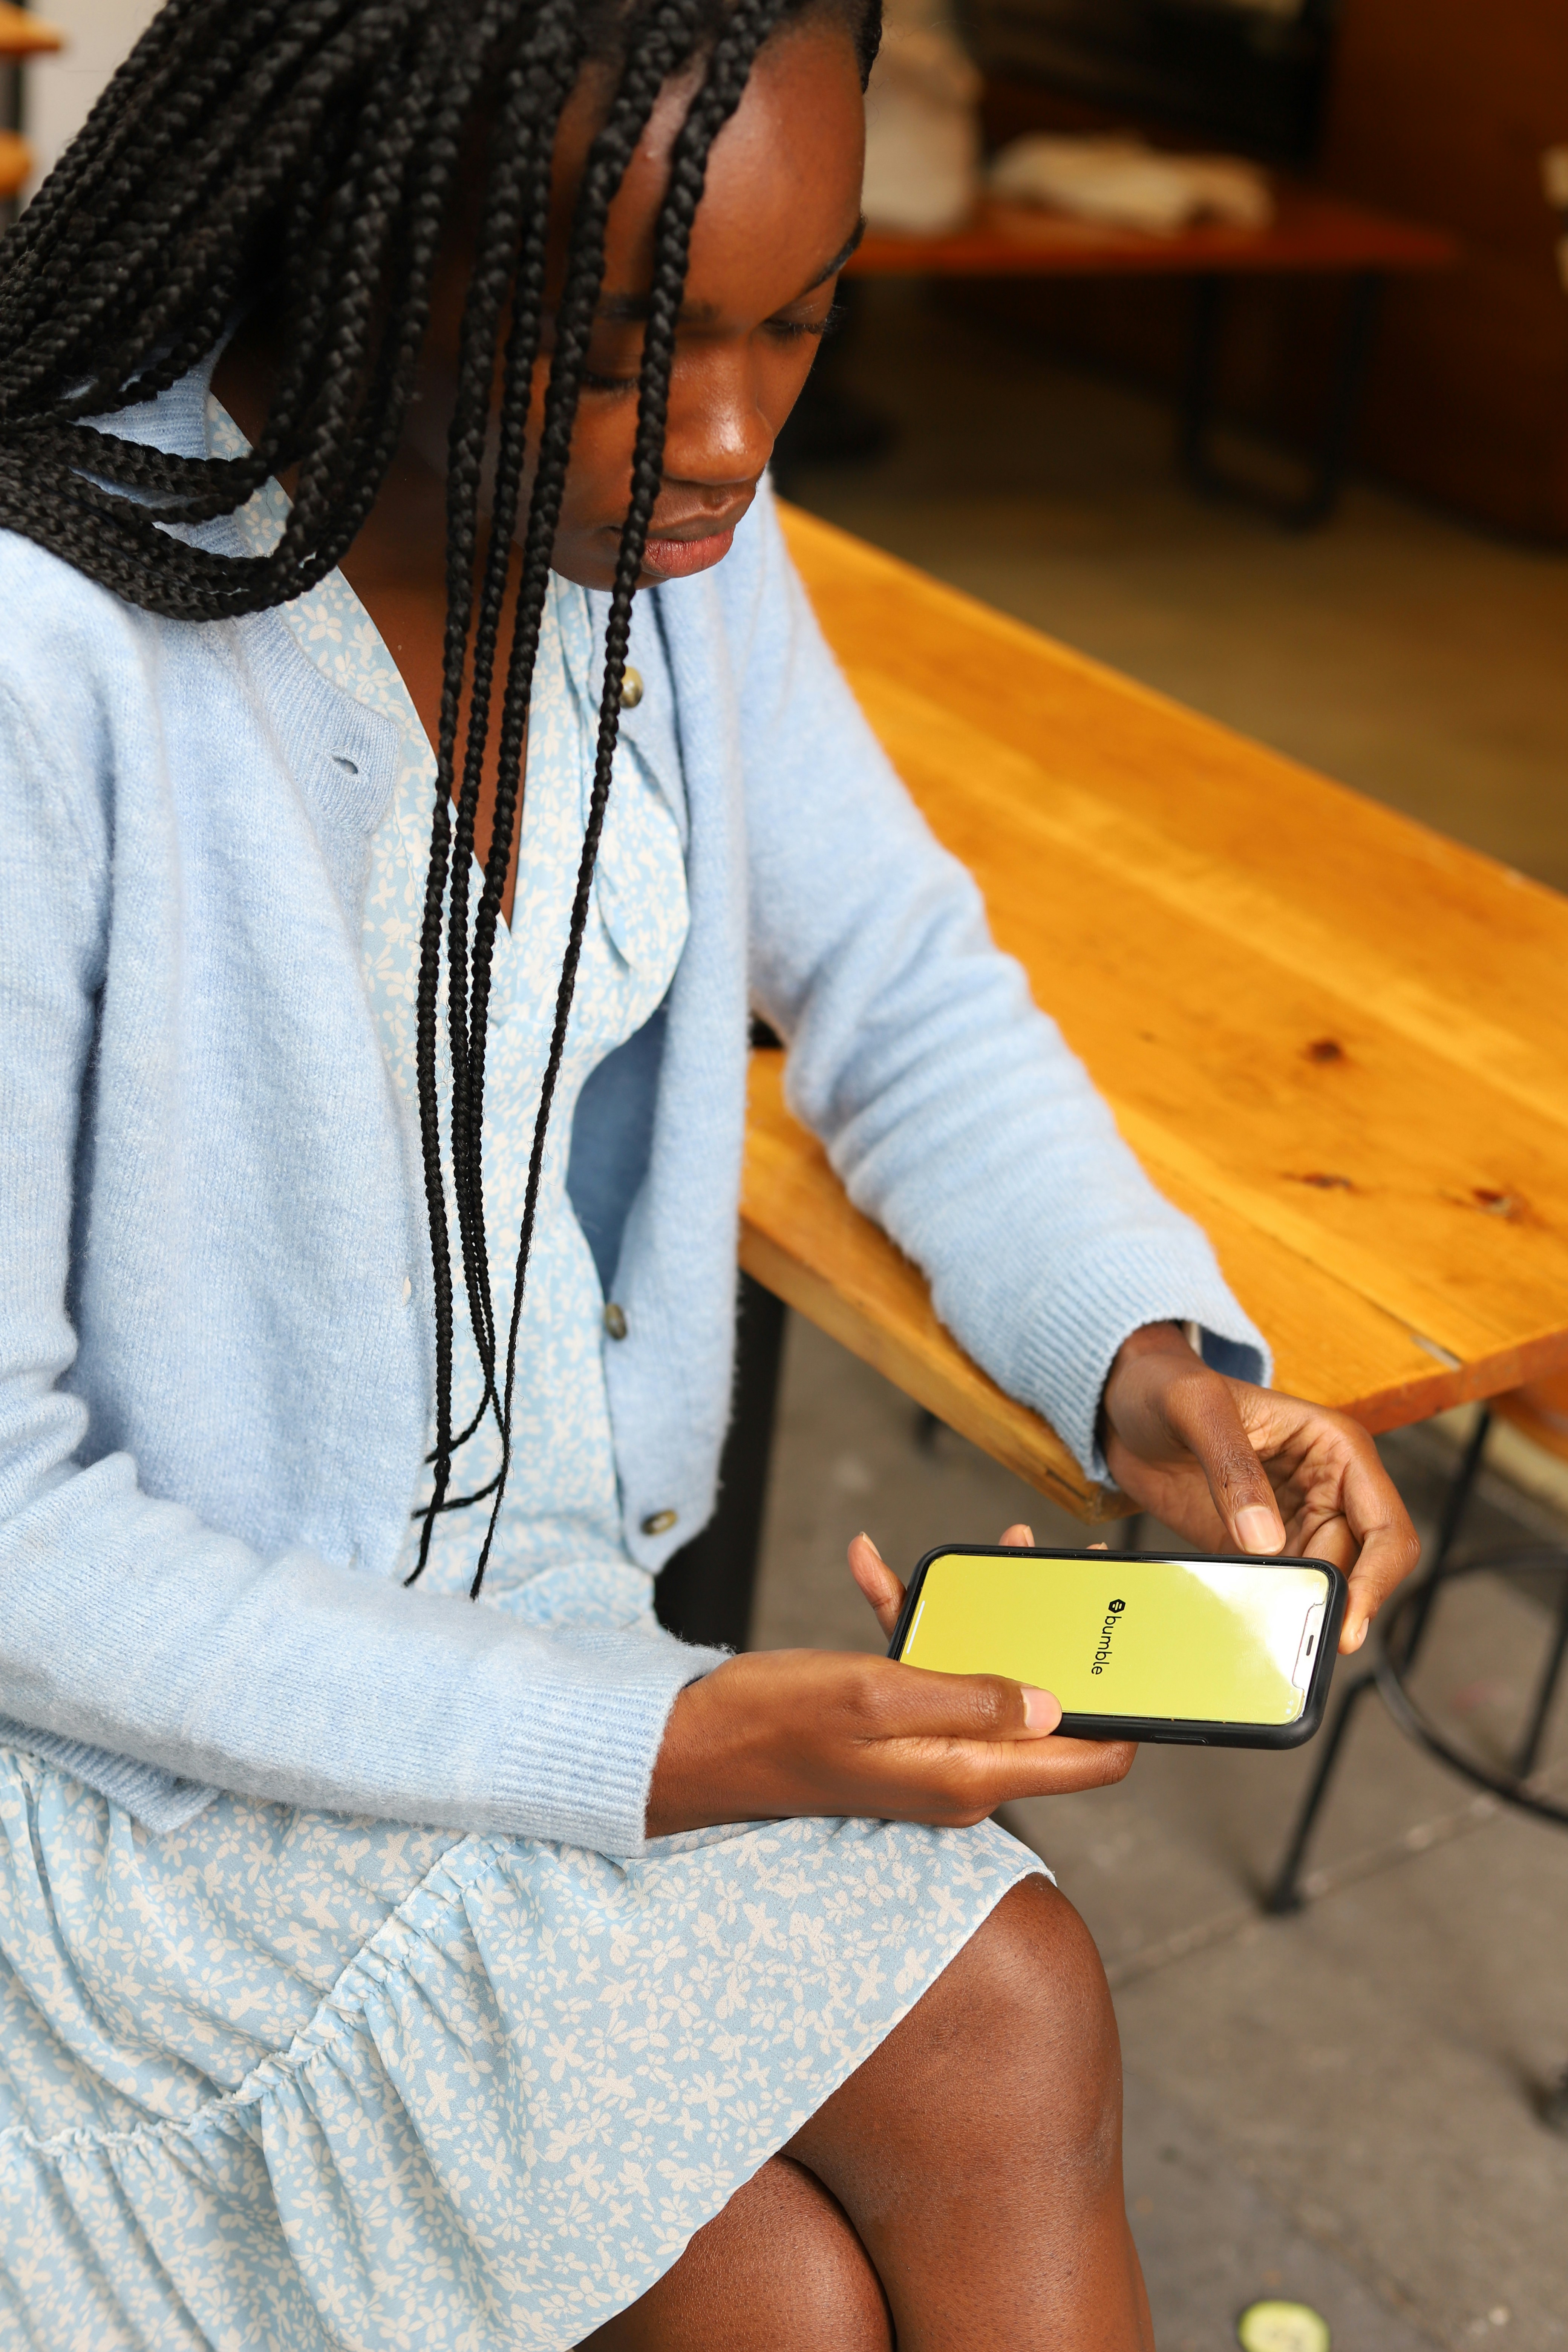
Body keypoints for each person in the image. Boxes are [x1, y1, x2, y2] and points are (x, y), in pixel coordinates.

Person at [0, 2, 1419, 2344]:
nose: (737, 439)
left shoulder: (656, 532)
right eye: (635, 343)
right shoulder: (57, 652)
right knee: (798, 2262)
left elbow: (899, 980)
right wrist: (662, 1735)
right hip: (131, 1768)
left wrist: (1150, 1365)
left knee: (989, 2029)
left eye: (804, 314)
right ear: (366, 241)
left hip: (515, 1627)